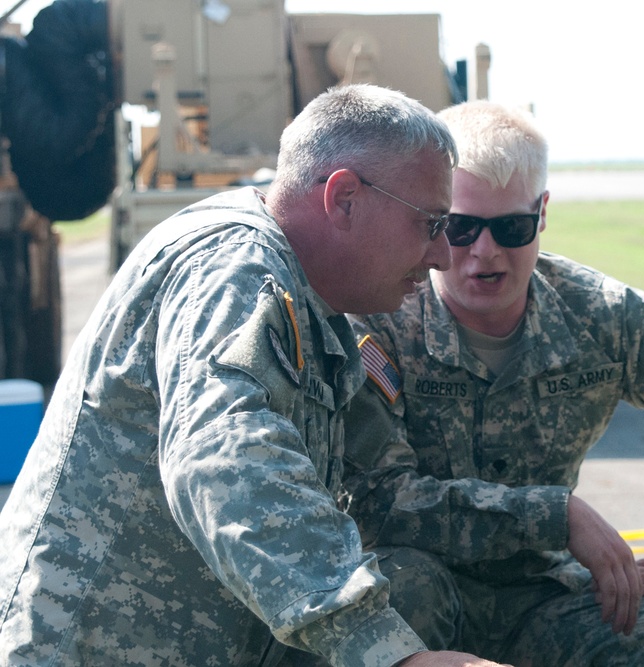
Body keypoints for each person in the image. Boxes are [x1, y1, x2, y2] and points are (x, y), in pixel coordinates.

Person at [0, 84, 509, 667]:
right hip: (95, 649)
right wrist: (388, 653)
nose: (444, 255)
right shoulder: (235, 269)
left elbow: (377, 489)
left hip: (197, 637)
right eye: (431, 224)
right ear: (343, 199)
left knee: (415, 585)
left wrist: (550, 520)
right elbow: (224, 454)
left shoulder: (312, 302)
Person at [340, 100, 644, 666]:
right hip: (419, 588)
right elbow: (372, 497)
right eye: (461, 227)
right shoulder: (379, 317)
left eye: (511, 228)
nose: (483, 254)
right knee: (393, 595)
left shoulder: (602, 318)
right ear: (434, 218)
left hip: (545, 596)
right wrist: (556, 515)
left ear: (541, 214)